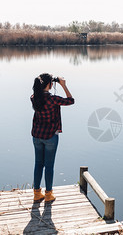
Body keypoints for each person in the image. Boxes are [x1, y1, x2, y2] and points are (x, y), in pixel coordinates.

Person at [31, 73, 75, 202]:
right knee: (49, 166)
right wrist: (63, 85)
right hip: (50, 136)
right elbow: (71, 101)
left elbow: (37, 92)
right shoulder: (53, 99)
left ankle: (37, 193)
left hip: (37, 135)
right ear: (49, 84)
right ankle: (49, 194)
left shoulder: (34, 97)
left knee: (38, 164)